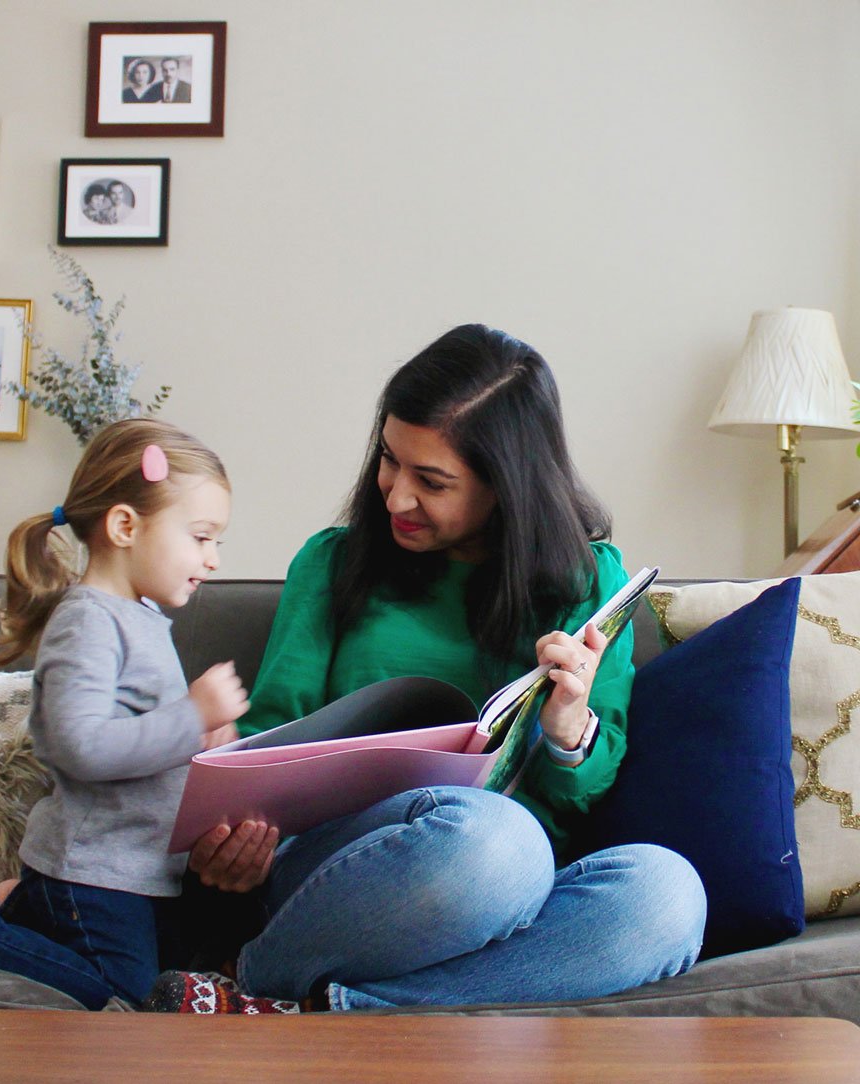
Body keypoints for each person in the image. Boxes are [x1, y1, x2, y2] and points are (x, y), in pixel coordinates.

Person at [147, 324, 707, 1014]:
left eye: (432, 481)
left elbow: (584, 794)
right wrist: (236, 836)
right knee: (498, 843)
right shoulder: (332, 563)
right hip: (354, 877)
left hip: (517, 883)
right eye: (390, 461)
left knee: (667, 894)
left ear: (506, 487)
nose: (395, 496)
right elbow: (272, 736)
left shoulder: (589, 583)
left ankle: (287, 1002)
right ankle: (276, 966)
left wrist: (568, 726)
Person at [0, 419, 295, 1012]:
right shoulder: (88, 622)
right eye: (201, 537)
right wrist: (190, 715)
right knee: (122, 995)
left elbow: (140, 737)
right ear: (124, 526)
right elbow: (79, 746)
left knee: (172, 971)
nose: (212, 559)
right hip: (93, 872)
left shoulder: (136, 618)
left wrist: (210, 738)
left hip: (134, 871)